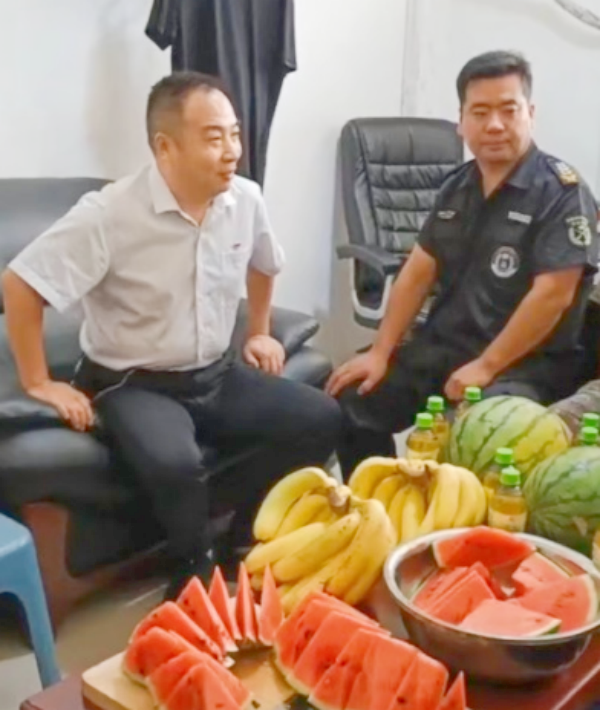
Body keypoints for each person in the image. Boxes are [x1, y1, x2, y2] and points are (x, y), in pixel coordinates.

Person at [2, 71, 341, 599]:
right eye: (214, 137)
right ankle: (192, 569)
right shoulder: (110, 213)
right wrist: (39, 381)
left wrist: (258, 332)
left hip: (216, 373)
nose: (232, 151)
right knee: (177, 465)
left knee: (320, 417)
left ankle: (241, 535)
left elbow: (264, 262)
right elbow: (20, 284)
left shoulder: (244, 199)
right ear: (165, 147)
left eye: (234, 134)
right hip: (132, 382)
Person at [327, 50, 599, 478]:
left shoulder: (562, 193)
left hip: (523, 365)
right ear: (462, 121)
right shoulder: (457, 186)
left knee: (471, 444)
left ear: (530, 114)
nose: (495, 125)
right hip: (446, 346)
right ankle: (374, 499)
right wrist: (380, 352)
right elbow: (417, 272)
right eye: (480, 112)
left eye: (508, 110)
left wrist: (487, 366)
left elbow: (553, 296)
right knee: (350, 398)